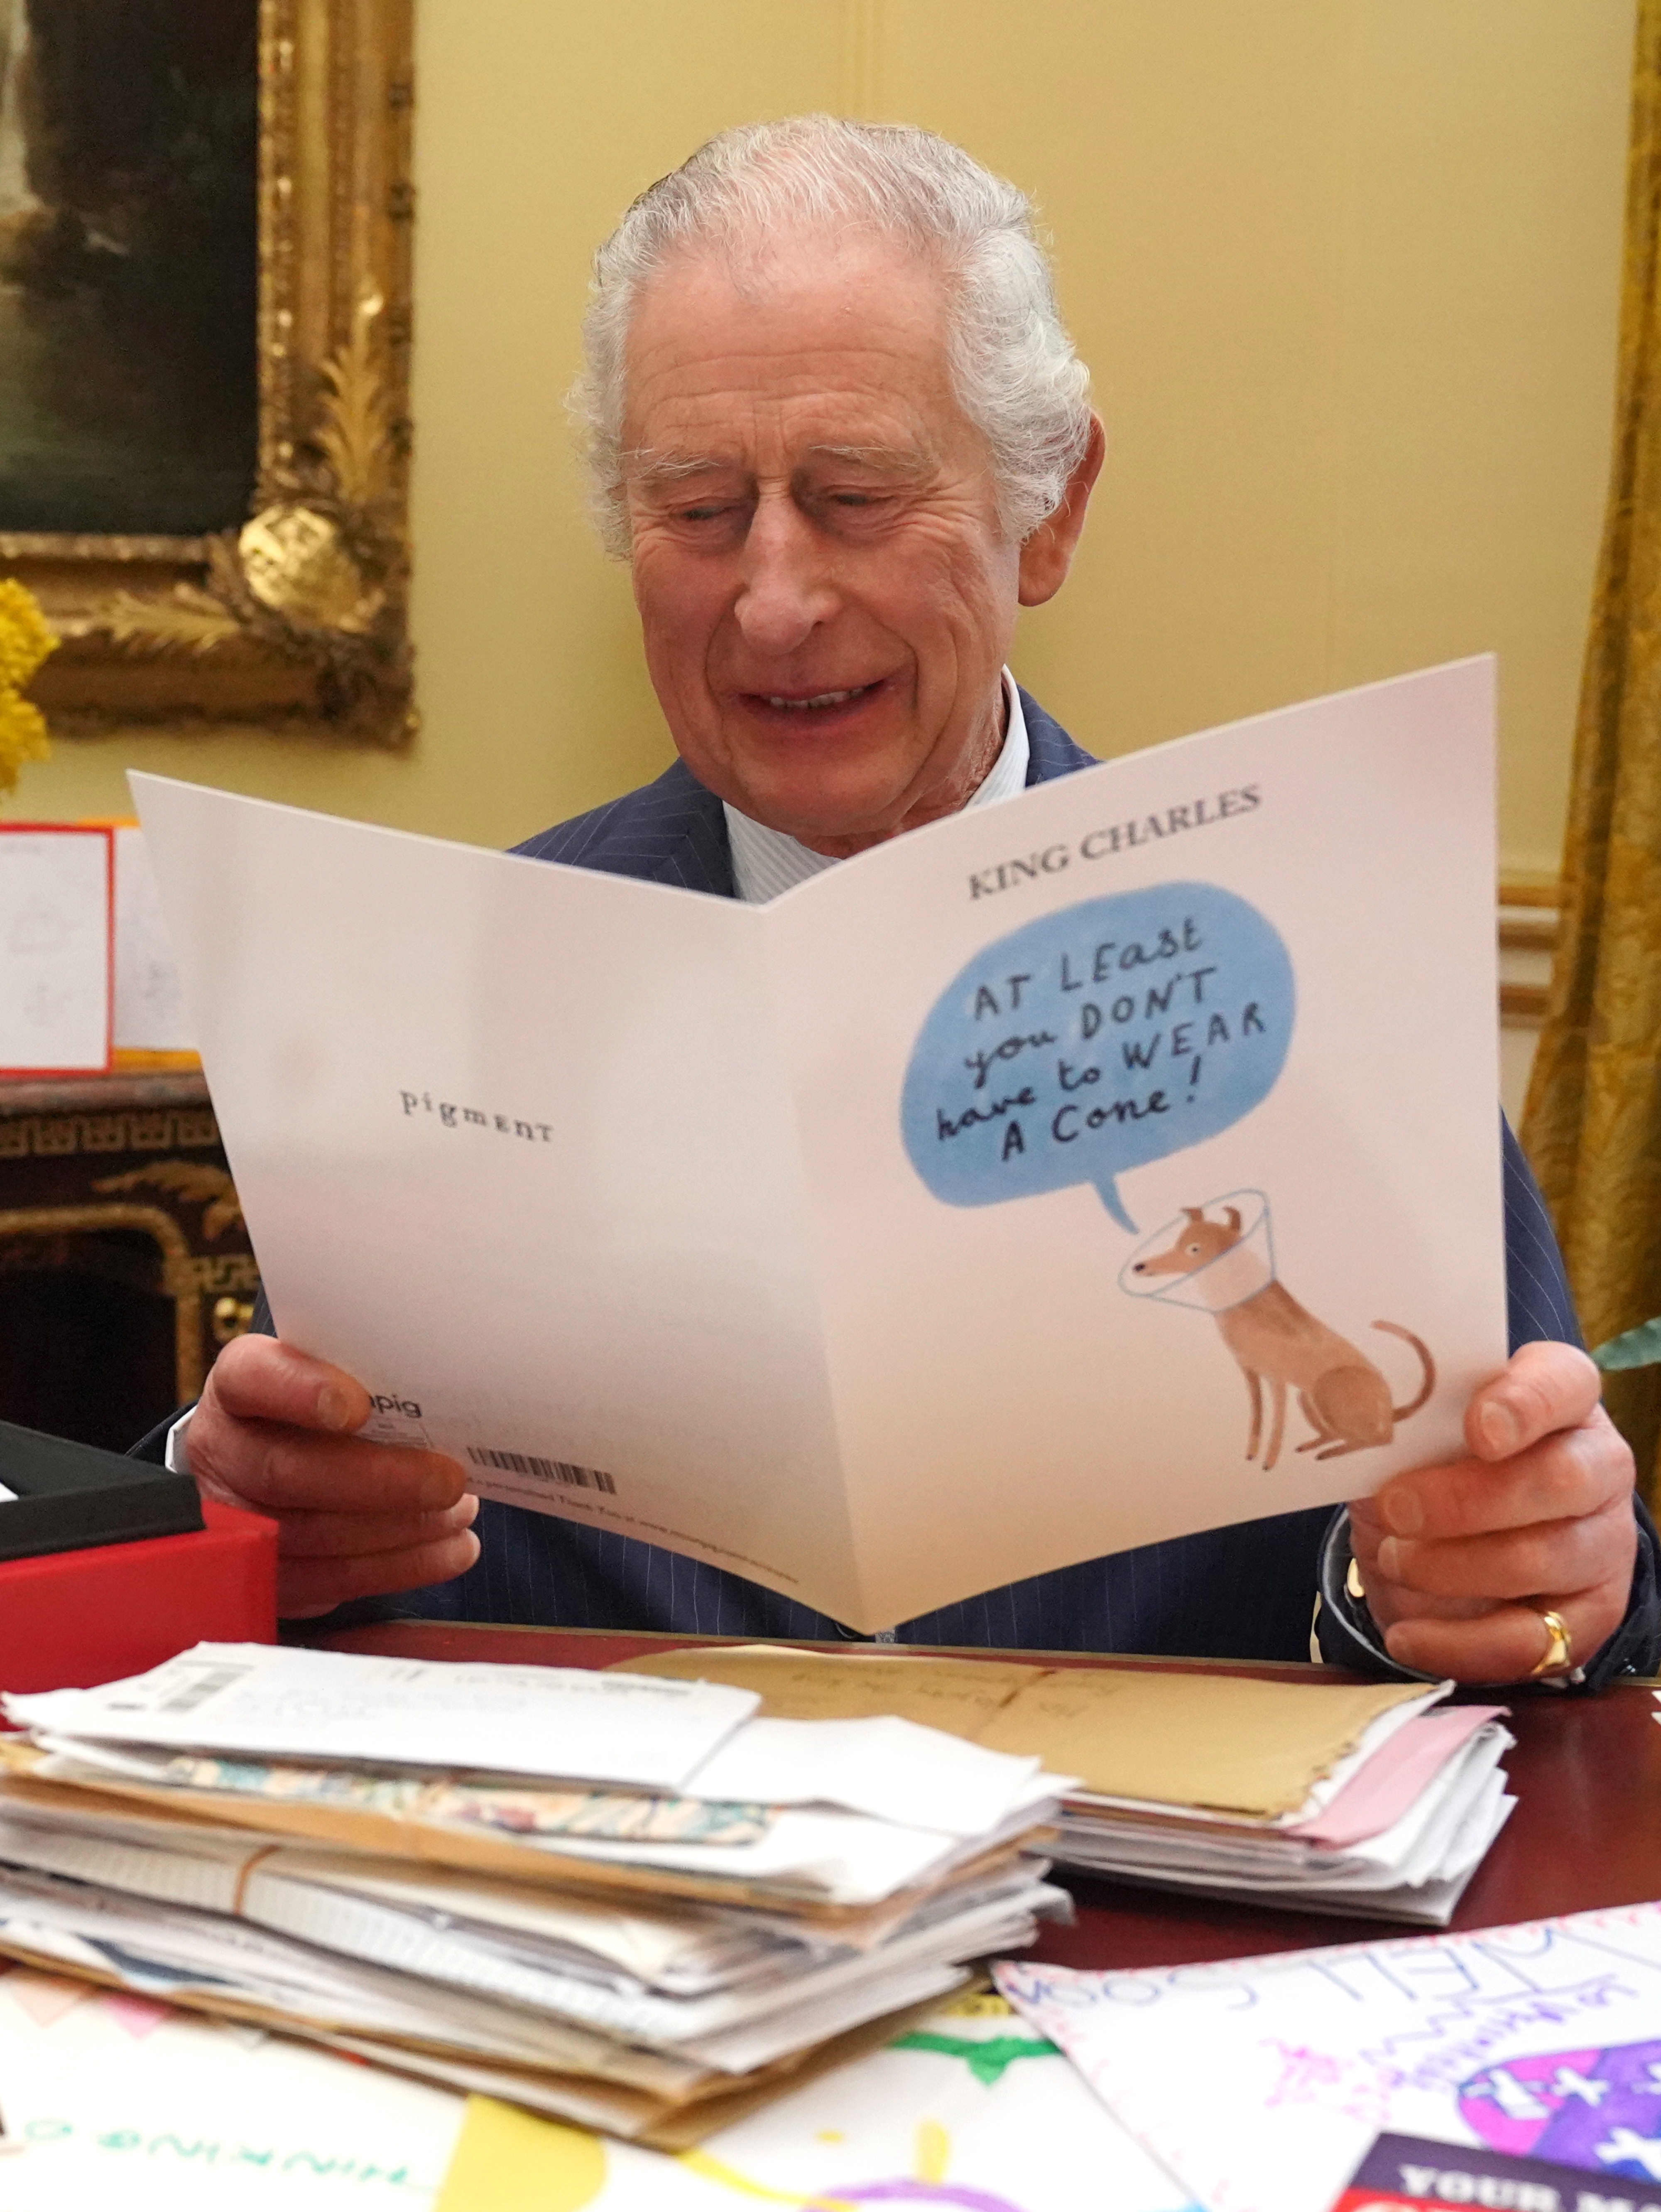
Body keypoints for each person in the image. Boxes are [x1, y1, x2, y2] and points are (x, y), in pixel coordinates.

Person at [137, 117, 1657, 1688]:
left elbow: (1562, 1624)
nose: (777, 601)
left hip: (1148, 1912)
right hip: (623, 1909)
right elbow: (249, 1559)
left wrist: (1530, 1586)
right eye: (700, 510)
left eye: (857, 495)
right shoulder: (449, 985)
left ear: (1047, 508)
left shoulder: (1304, 955)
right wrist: (240, 1514)